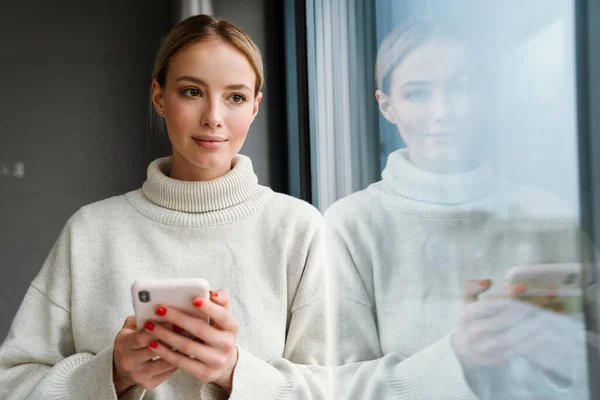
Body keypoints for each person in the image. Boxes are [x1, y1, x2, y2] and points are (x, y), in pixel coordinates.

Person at [0, 14, 329, 399]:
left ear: (255, 108)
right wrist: (110, 374)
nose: (213, 118)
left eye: (236, 97)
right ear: (159, 97)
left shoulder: (297, 229)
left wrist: (235, 372)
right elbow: (12, 385)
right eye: (192, 91)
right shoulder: (90, 232)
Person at [325, 16, 592, 399]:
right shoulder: (351, 225)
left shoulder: (545, 211)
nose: (442, 111)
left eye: (462, 89)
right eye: (417, 94)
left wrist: (563, 348)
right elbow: (338, 387)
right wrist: (458, 356)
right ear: (386, 107)